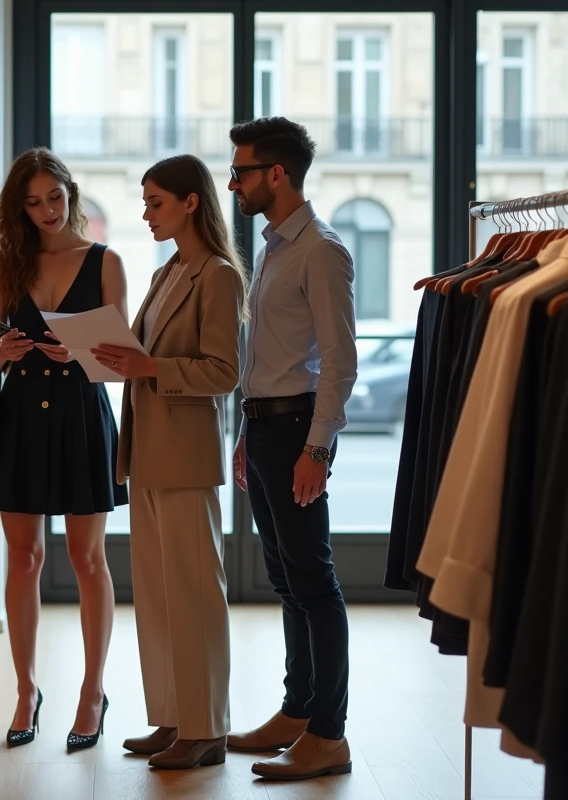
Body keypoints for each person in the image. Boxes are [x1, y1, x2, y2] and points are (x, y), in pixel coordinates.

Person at [93, 154, 245, 770]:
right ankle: (174, 718)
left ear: (189, 202)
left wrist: (150, 368)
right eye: (144, 203)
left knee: (194, 593)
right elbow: (135, 352)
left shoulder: (218, 276)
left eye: (156, 202)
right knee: (156, 596)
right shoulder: (165, 275)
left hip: (185, 455)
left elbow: (224, 372)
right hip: (149, 452)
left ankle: (206, 728)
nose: (147, 213)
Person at [0, 147, 129, 752]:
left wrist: (85, 354)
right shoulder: (4, 266)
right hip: (20, 414)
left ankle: (93, 692)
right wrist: (1, 353)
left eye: (54, 198)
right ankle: (25, 690)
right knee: (23, 557)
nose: (45, 211)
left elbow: (122, 359)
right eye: (32, 202)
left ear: (71, 193)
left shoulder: (106, 261)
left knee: (88, 559)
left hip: (81, 412)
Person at [225, 117, 358, 781]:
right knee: (285, 578)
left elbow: (340, 361)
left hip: (299, 430)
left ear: (276, 174)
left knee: (313, 581)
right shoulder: (276, 248)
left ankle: (328, 734)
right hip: (266, 429)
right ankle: (297, 711)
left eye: (242, 170)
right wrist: (247, 434)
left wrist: (319, 449)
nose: (233, 182)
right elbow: (266, 356)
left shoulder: (321, 251)